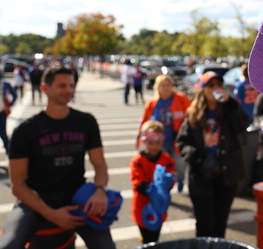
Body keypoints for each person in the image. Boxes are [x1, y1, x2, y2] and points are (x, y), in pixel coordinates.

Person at [0, 63, 115, 248]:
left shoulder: (86, 121)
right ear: (45, 88)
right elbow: (18, 185)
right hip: (37, 198)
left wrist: (100, 191)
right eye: (62, 86)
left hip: (77, 196)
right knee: (8, 245)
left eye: (71, 85)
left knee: (106, 246)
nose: (68, 90)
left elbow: (100, 164)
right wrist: (51, 214)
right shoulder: (26, 130)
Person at [176, 71, 250, 238]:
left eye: (219, 85)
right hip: (202, 175)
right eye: (211, 85)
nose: (216, 88)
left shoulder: (229, 109)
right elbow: (182, 142)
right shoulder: (193, 113)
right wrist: (196, 158)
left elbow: (243, 125)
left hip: (226, 174)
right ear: (202, 89)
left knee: (220, 224)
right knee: (205, 224)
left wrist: (230, 103)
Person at [137, 74, 191, 193]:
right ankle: (163, 187)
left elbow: (191, 115)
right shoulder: (152, 103)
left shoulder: (181, 98)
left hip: (177, 139)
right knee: (161, 166)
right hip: (158, 142)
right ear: (158, 87)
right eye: (163, 85)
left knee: (180, 163)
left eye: (168, 85)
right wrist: (139, 137)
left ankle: (180, 180)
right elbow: (144, 121)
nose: (166, 88)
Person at [131, 120, 176, 245]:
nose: (154, 146)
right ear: (143, 141)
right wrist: (151, 189)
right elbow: (137, 182)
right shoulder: (138, 161)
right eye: (150, 143)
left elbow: (171, 177)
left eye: (158, 142)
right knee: (146, 237)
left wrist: (168, 183)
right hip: (142, 206)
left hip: (159, 207)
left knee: (155, 237)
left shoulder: (166, 159)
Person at [0, 71, 17, 152]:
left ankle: (9, 152)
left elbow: (14, 95)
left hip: (2, 113)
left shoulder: (5, 84)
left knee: (3, 133)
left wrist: (9, 105)